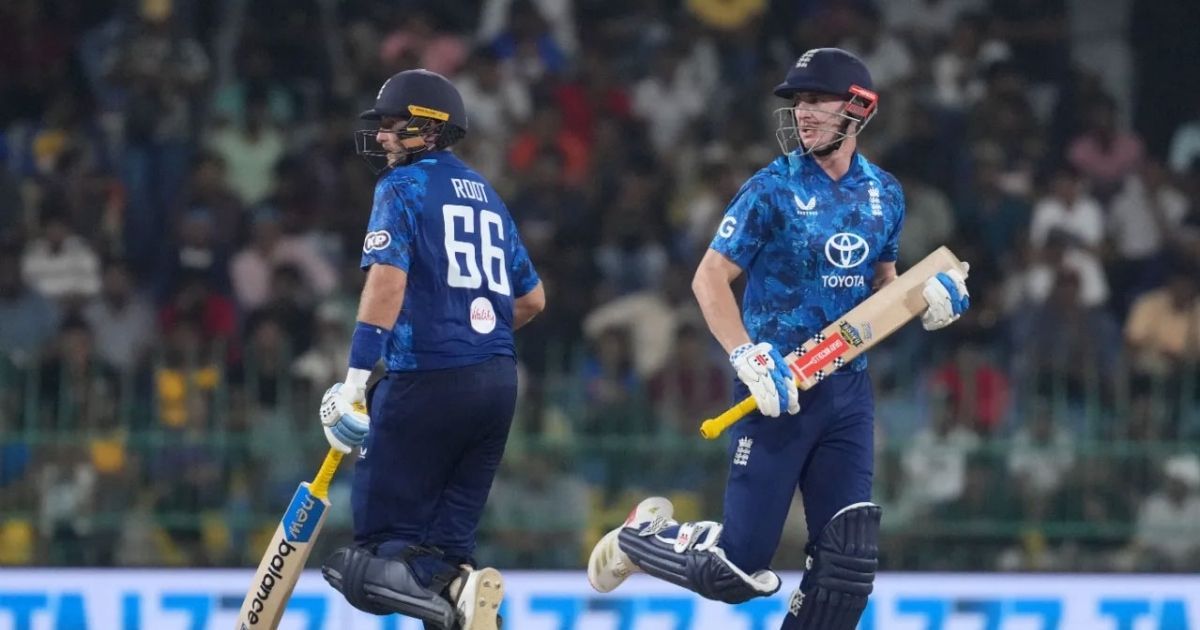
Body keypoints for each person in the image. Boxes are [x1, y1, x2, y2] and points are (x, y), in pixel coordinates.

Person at [587, 48, 969, 629]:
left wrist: (930, 300)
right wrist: (745, 354)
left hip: (846, 392)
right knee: (734, 572)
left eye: (816, 100)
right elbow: (709, 278)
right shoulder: (771, 188)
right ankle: (640, 537)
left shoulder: (885, 194)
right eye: (798, 102)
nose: (803, 113)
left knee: (847, 570)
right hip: (777, 390)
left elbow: (883, 285)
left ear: (858, 108)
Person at [319, 69, 545, 630]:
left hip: (427, 380)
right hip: (498, 382)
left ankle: (439, 600)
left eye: (393, 125)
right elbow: (533, 299)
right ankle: (457, 592)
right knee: (441, 557)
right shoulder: (488, 195)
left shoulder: (402, 186)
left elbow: (387, 283)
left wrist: (354, 381)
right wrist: (472, 337)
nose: (381, 137)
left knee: (366, 561)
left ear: (430, 128)